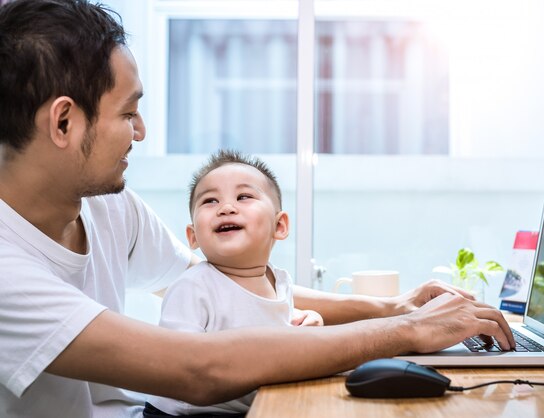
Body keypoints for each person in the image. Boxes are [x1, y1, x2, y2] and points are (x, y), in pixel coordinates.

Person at [0, 1, 514, 417]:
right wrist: (402, 333)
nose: (141, 132)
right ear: (64, 123)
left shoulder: (108, 208)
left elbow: (222, 279)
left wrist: (393, 308)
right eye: (129, 112)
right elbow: (195, 370)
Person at [145, 150, 323, 416]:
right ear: (193, 236)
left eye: (243, 197)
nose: (226, 207)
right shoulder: (194, 287)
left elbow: (268, 323)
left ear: (280, 226)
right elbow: (179, 366)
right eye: (210, 200)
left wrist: (307, 319)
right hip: (187, 412)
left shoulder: (280, 282)